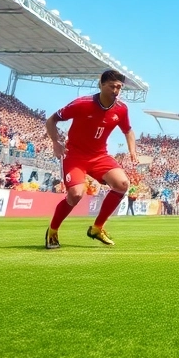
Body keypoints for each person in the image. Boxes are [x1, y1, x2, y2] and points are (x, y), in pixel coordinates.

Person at [43, 70, 136, 249]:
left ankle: (97, 228)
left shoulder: (121, 109)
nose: (116, 91)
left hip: (100, 155)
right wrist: (55, 142)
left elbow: (128, 130)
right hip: (75, 156)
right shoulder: (82, 104)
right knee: (76, 194)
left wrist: (132, 151)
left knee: (123, 184)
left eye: (119, 87)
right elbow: (52, 120)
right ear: (100, 84)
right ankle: (53, 230)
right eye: (111, 86)